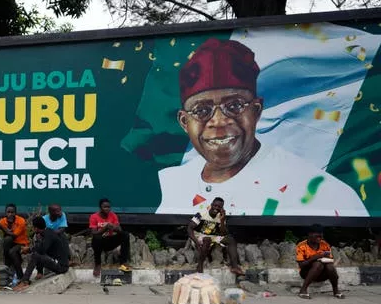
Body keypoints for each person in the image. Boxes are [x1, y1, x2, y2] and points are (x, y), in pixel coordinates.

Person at [156, 38, 368, 217]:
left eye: (234, 106)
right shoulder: (174, 184)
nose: (219, 121)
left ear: (256, 111)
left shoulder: (322, 192)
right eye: (202, 110)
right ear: (184, 122)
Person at [187, 197, 243, 276]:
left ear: (222, 208)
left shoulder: (220, 216)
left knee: (231, 240)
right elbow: (189, 228)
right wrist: (196, 241)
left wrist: (222, 221)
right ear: (211, 205)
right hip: (199, 236)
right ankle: (199, 267)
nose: (216, 208)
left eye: (219, 207)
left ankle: (235, 267)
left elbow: (223, 233)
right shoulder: (201, 214)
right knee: (207, 239)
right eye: (215, 205)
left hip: (213, 237)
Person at [13, 216, 70, 292]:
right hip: (58, 262)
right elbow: (41, 249)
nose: (33, 229)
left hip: (61, 267)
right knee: (36, 254)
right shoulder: (47, 232)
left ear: (36, 228)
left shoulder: (48, 235)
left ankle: (25, 281)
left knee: (35, 256)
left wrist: (29, 249)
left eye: (34, 227)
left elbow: (42, 250)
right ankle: (31, 276)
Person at [296, 224, 344, 299]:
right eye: (317, 236)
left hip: (322, 274)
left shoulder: (325, 245)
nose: (320, 238)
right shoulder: (301, 246)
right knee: (318, 264)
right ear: (310, 234)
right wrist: (315, 257)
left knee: (330, 266)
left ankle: (336, 290)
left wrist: (327, 258)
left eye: (321, 236)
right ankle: (303, 290)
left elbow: (330, 260)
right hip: (306, 273)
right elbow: (301, 265)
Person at [89, 198, 132, 277]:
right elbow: (94, 233)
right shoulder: (94, 216)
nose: (107, 209)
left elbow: (120, 230)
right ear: (100, 207)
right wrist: (105, 228)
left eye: (108, 207)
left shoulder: (113, 215)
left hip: (110, 241)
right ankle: (98, 264)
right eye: (105, 207)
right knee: (96, 238)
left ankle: (123, 262)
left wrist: (114, 227)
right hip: (99, 243)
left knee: (125, 235)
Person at [0, 204, 29, 281]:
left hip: (21, 243)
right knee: (7, 240)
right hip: (10, 243)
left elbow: (14, 235)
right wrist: (5, 229)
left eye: (12, 212)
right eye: (8, 212)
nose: (10, 214)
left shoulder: (21, 221)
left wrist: (5, 229)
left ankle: (21, 276)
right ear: (5, 213)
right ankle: (7, 265)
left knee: (12, 251)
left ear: (15, 213)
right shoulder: (2, 221)